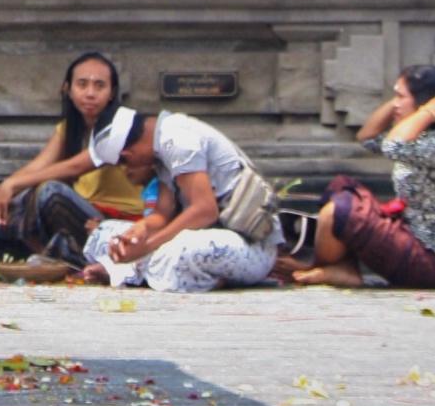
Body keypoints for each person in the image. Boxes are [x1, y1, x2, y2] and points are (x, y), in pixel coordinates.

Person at [279, 65, 435, 290]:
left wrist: (429, 111)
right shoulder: (416, 135)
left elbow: (393, 146)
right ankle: (343, 268)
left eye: (402, 97)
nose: (396, 103)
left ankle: (326, 268)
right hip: (412, 238)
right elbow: (367, 137)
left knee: (341, 212)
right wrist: (404, 104)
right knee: (342, 186)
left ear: (422, 101)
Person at [0, 53, 149, 274]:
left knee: (49, 191)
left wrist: (10, 186)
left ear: (112, 92)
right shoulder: (68, 129)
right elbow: (37, 167)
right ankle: (53, 256)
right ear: (68, 89)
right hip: (83, 218)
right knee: (11, 204)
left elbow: (73, 167)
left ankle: (60, 259)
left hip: (118, 221)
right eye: (82, 84)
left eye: (99, 85)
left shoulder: (118, 128)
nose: (90, 93)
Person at [75, 104, 281, 291]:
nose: (129, 169)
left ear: (129, 154)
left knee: (183, 248)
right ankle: (138, 272)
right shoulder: (162, 148)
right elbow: (162, 214)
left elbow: (205, 211)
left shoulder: (178, 140)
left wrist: (147, 246)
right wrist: (138, 232)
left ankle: (126, 272)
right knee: (105, 233)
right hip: (201, 235)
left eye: (124, 163)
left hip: (251, 248)